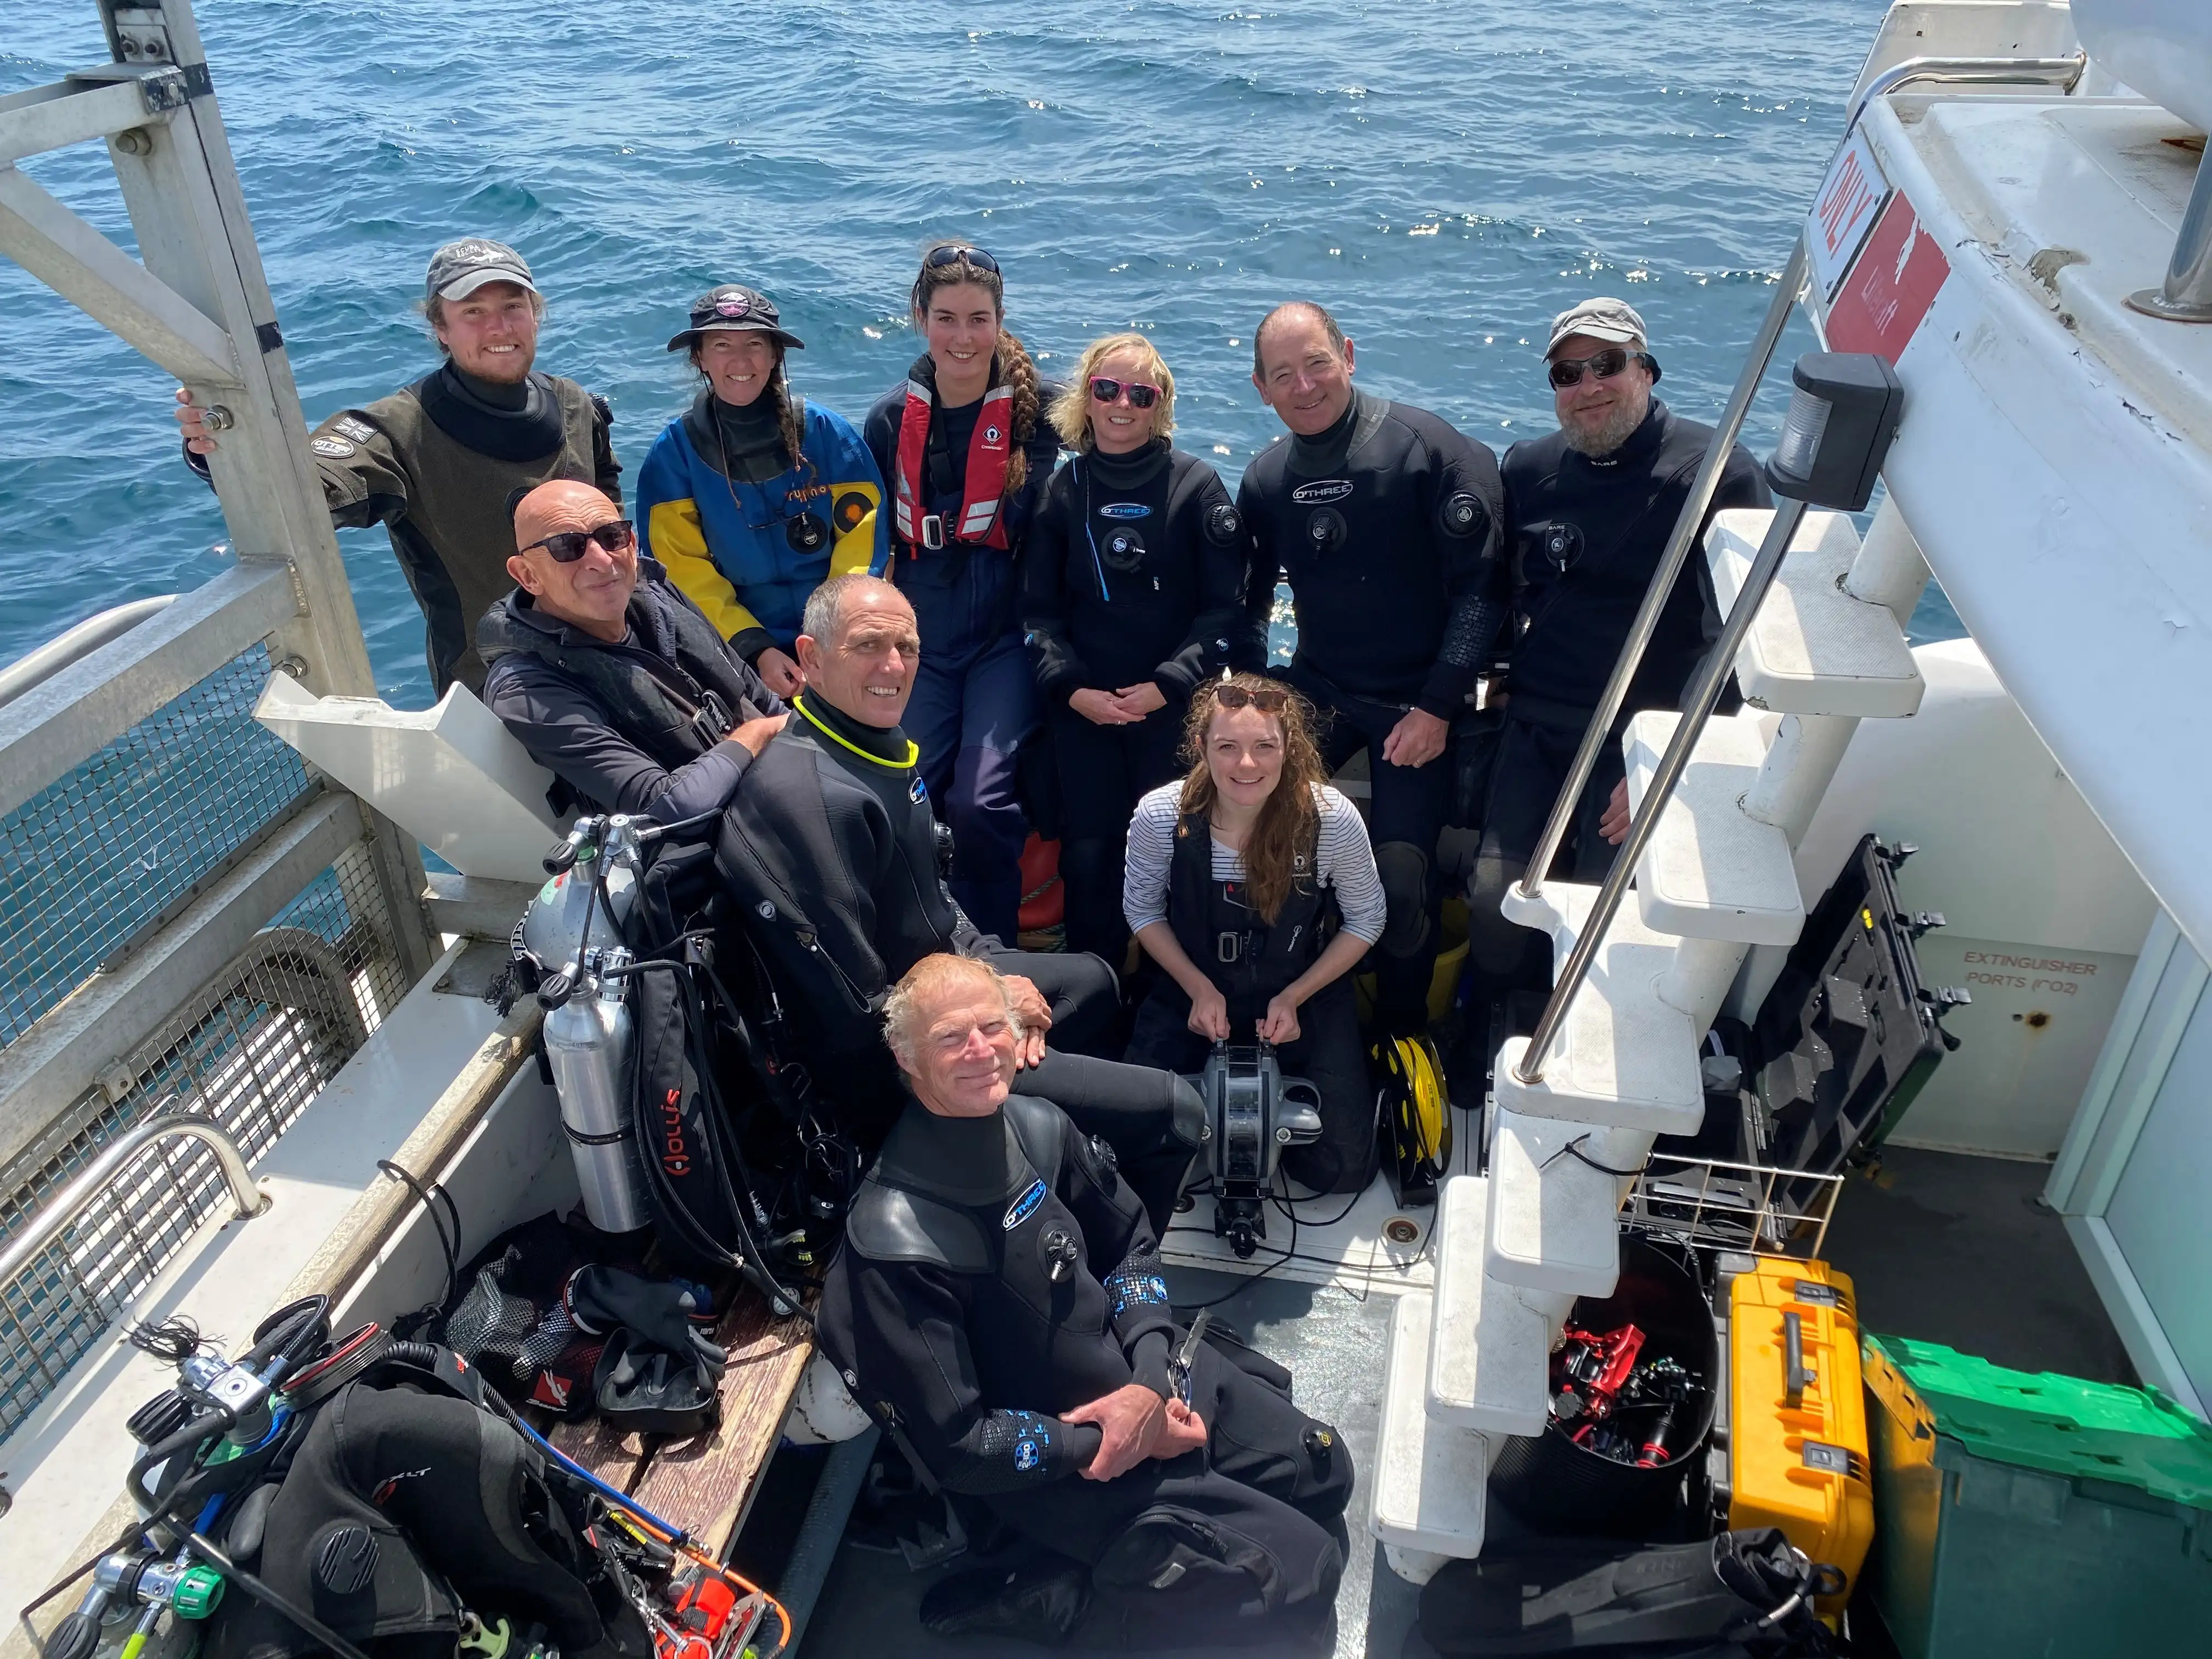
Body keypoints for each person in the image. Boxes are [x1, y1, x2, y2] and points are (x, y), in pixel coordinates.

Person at [818, 954, 1353, 1648]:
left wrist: (1151, 1377)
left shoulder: (1038, 1129)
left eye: (992, 1027)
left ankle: (1119, 1550)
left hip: (1148, 1377)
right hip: (1069, 1467)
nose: (980, 1051)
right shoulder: (898, 1241)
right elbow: (960, 1448)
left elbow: (1130, 1241)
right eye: (952, 1038)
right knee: (1306, 1584)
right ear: (906, 1055)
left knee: (1324, 1471)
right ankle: (1071, 1599)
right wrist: (1115, 1437)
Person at [713, 574, 1195, 1222]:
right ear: (810, 659)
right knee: (1177, 1114)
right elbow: (858, 1010)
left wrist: (989, 978)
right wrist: (992, 1011)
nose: (894, 667)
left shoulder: (871, 744)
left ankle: (1055, 1156)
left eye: (907, 648)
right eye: (868, 646)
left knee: (1095, 981)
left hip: (939, 984)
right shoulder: (811, 801)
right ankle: (1117, 1262)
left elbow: (932, 901)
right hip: (902, 1059)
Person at [1464, 298, 1771, 999]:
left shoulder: (1718, 471)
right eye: (1567, 375)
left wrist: (1665, 759)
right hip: (1541, 725)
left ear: (1647, 370)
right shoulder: (1528, 469)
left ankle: (1586, 1036)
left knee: (1605, 921)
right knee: (1494, 905)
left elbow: (1739, 638)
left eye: (1606, 365)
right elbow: (1498, 595)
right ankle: (1488, 1037)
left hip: (1645, 735)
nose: (1588, 387)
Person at [175, 239, 622, 696]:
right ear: (439, 327)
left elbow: (612, 508)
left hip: (615, 658)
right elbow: (303, 489)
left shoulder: (574, 405)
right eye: (473, 312)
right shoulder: (396, 431)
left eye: (513, 306)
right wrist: (223, 449)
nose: (499, 326)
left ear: (535, 313)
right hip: (498, 693)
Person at [1238, 300, 1508, 1038]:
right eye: (1284, 374)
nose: (1305, 386)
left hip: (1415, 703)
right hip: (1321, 687)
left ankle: (1399, 1035)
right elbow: (1251, 599)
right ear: (1261, 388)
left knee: (1399, 882)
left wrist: (1438, 708)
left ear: (1348, 355)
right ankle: (1257, 1008)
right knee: (1238, 829)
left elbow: (1482, 597)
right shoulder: (1266, 481)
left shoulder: (1431, 455)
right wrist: (1250, 690)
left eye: (1318, 363)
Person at [1022, 332, 1248, 966]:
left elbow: (1225, 614)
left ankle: (1173, 997)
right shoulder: (1062, 494)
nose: (1123, 405)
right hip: (1085, 706)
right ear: (1086, 398)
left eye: (1140, 395)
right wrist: (1071, 689)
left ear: (1160, 406)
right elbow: (1037, 616)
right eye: (1108, 390)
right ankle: (1099, 993)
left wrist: (1170, 684)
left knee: (1176, 851)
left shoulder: (1197, 487)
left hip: (1171, 707)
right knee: (1090, 855)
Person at [864, 242, 1062, 943]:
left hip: (1005, 642)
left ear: (1000, 322)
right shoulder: (891, 421)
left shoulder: (1042, 416)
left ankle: (997, 954)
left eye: (979, 319)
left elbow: (1130, 448)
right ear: (920, 319)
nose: (963, 337)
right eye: (946, 318)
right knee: (899, 792)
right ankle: (913, 942)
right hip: (922, 641)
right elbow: (866, 544)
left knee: (980, 804)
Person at [1123, 674, 1385, 1194]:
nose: (1247, 765)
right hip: (1191, 990)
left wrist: (1294, 996)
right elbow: (1143, 911)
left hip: (1300, 991)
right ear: (1202, 748)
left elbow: (1366, 919)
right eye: (1228, 747)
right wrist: (1198, 988)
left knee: (1342, 1170)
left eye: (1265, 746)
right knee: (1134, 1154)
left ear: (1289, 748)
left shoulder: (1332, 819)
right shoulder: (1160, 815)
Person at [477, 479, 787, 819]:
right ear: (527, 575)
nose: (601, 560)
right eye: (567, 547)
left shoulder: (659, 596)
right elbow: (667, 807)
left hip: (780, 783)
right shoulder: (528, 688)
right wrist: (759, 734)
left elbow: (762, 701)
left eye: (612, 537)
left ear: (633, 542)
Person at [634, 285, 888, 697]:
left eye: (755, 344)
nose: (740, 361)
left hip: (836, 632)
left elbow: (863, 541)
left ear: (775, 356)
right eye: (721, 345)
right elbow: (682, 569)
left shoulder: (827, 434)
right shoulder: (674, 455)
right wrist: (756, 648)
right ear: (700, 357)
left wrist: (827, 636)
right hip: (733, 640)